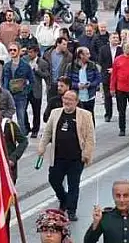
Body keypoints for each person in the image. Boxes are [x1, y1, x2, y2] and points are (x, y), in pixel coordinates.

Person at [38, 90, 96, 221]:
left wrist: (87, 154)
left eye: (70, 99)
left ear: (76, 102)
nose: (67, 101)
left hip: (76, 158)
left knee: (73, 185)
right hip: (58, 157)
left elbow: (90, 137)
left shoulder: (85, 115)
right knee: (53, 180)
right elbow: (47, 132)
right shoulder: (55, 113)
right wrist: (42, 147)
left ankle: (71, 210)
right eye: (65, 98)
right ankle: (63, 198)